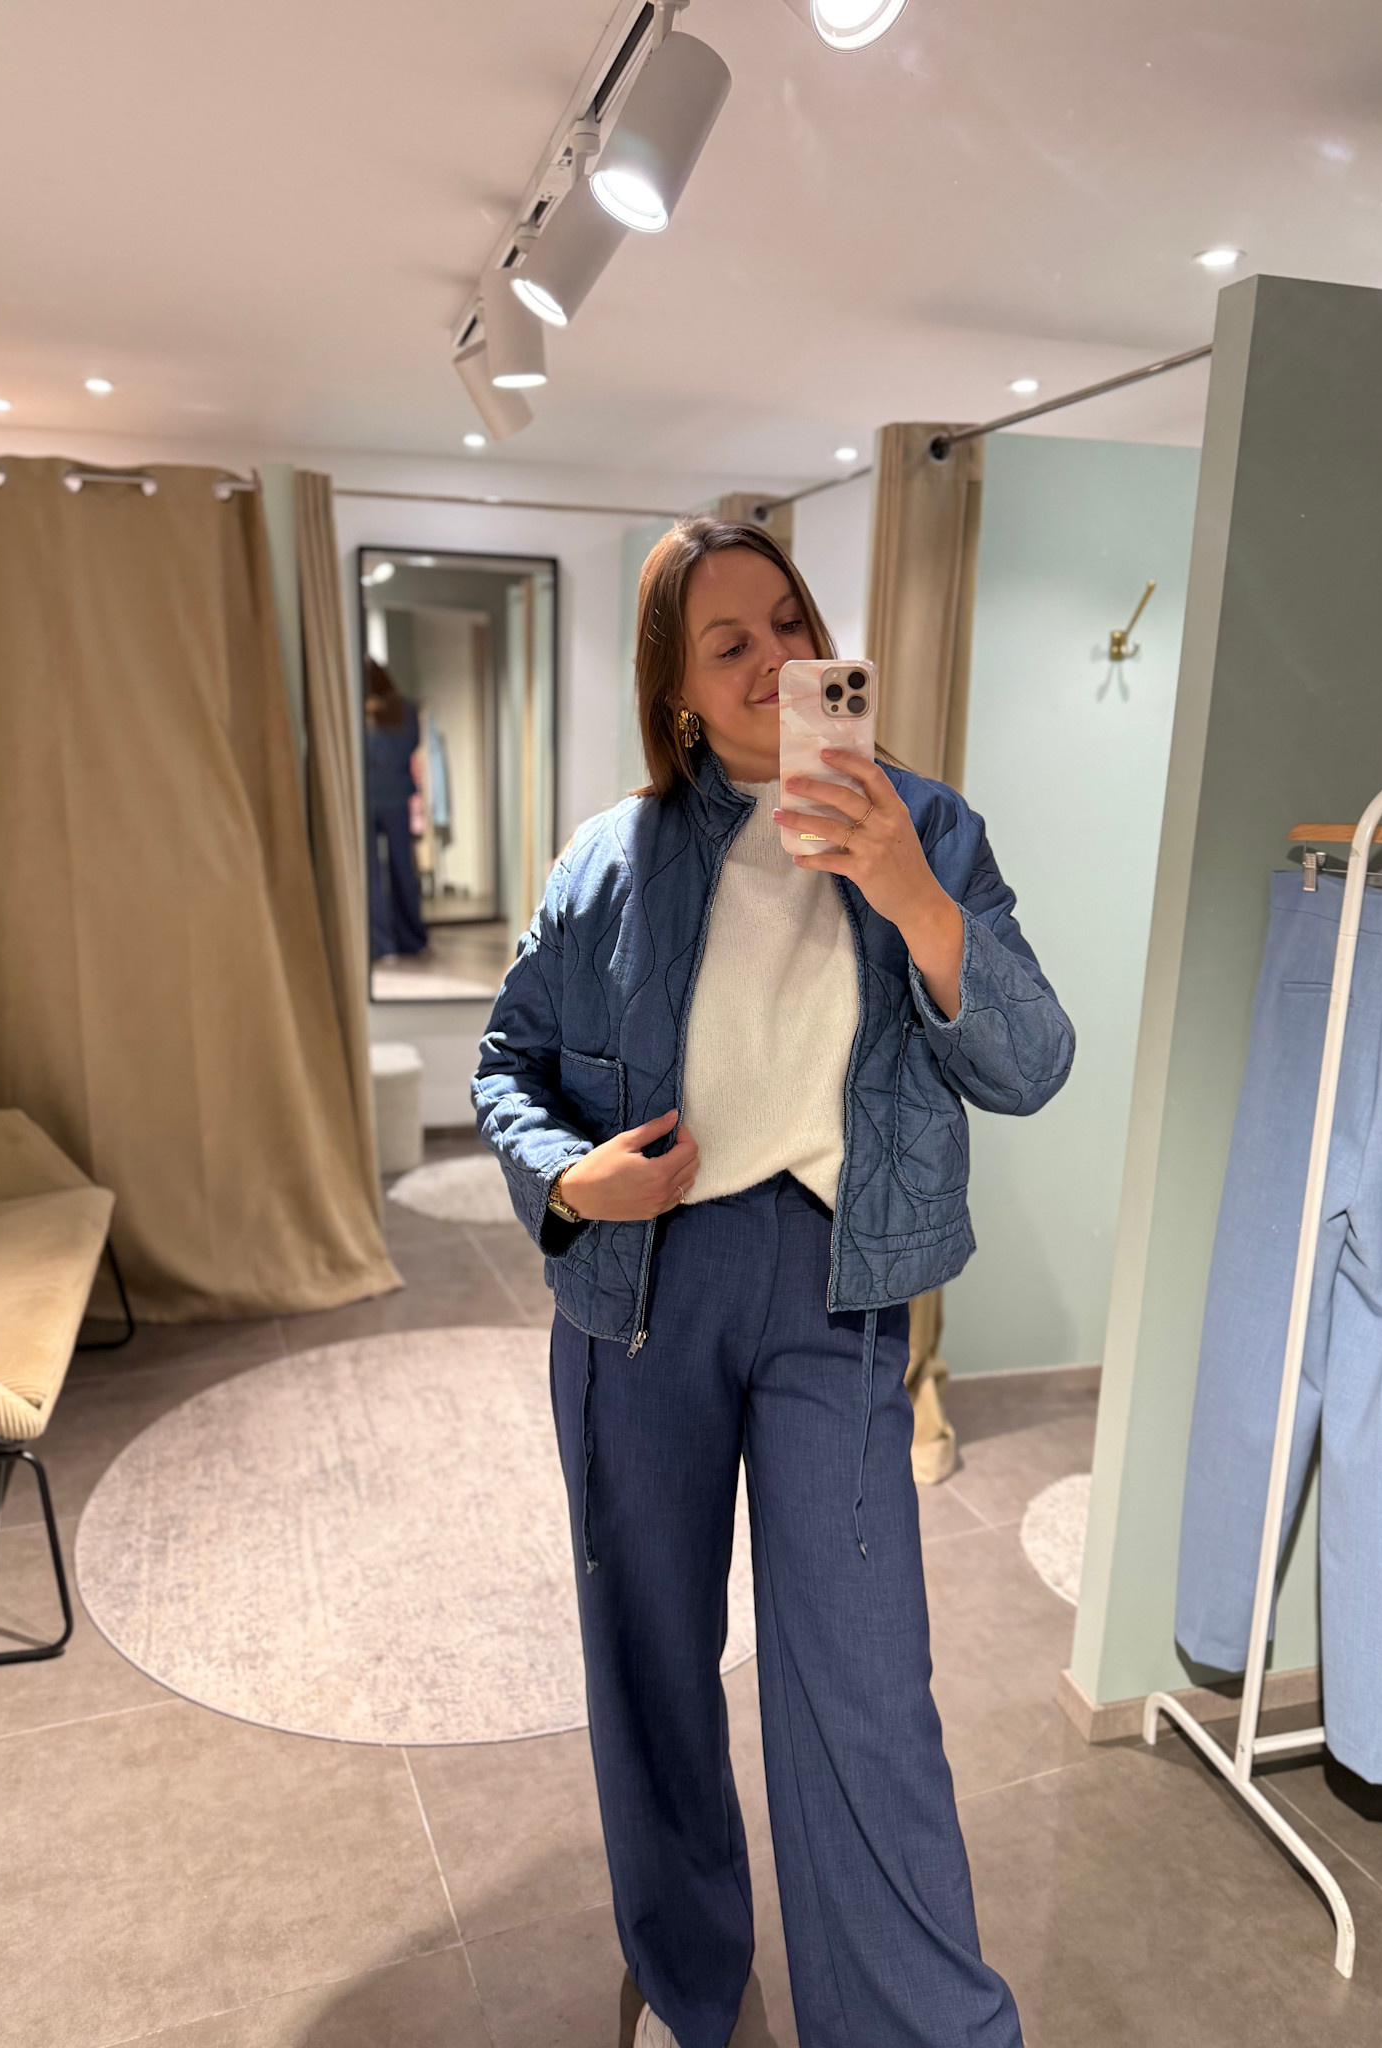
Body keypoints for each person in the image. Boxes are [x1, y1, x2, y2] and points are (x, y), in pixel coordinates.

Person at [473, 517, 1074, 2048]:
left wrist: (911, 893)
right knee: (654, 1660)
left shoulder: (924, 826)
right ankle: (690, 1983)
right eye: (727, 642)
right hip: (641, 1294)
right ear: (673, 690)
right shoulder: (609, 859)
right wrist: (570, 1183)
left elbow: (1031, 1064)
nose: (772, 659)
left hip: (836, 1291)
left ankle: (918, 2025)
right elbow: (508, 1062)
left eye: (789, 622)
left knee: (867, 1686)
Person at [363, 656, 428, 960]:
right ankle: (411, 938)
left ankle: (381, 943)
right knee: (403, 869)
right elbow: (411, 745)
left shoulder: (362, 713)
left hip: (368, 799)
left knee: (372, 876)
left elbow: (368, 756)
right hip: (398, 797)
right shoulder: (407, 709)